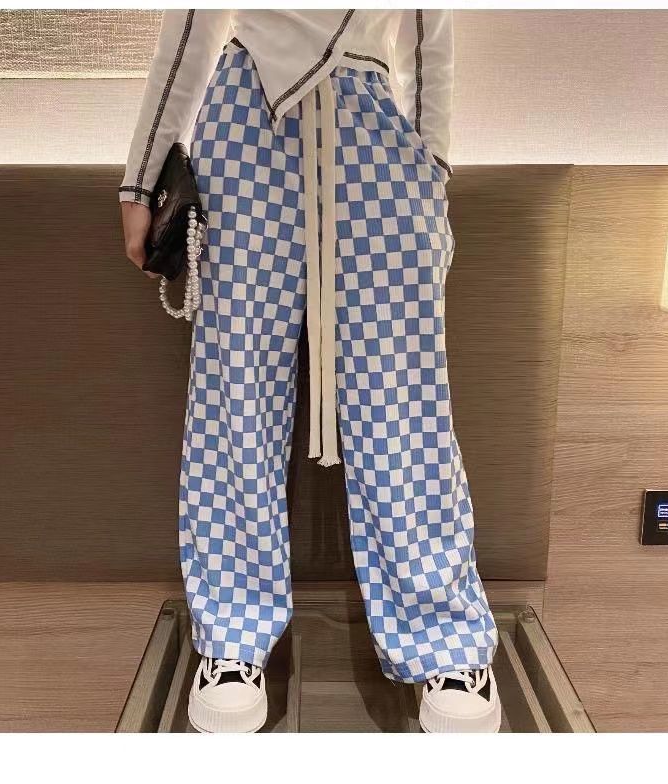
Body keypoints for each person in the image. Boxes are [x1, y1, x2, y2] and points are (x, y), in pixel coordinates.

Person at [120, 9, 500, 734]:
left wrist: (429, 166)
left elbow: (429, 31)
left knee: (402, 399)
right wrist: (141, 180)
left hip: (372, 127)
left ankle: (444, 635)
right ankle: (232, 638)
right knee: (236, 392)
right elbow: (194, 21)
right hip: (246, 121)